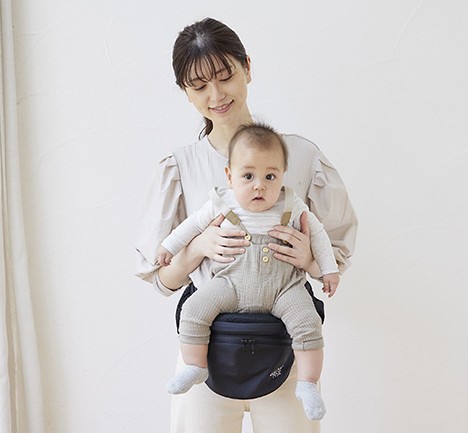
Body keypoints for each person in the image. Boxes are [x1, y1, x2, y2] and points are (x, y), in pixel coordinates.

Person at [135, 17, 357, 433]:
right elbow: (162, 280)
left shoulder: (303, 157)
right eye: (199, 86)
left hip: (285, 349)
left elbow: (335, 257)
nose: (216, 95)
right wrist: (200, 246)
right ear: (185, 92)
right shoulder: (179, 167)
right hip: (206, 356)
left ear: (247, 68)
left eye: (225, 76)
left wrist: (310, 258)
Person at [157, 124, 340, 420]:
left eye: (270, 176)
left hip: (284, 289)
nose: (259, 185)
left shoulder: (291, 205)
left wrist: (326, 270)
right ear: (230, 176)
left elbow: (318, 236)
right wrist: (168, 246)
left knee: (308, 323)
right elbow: (189, 226)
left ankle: (307, 384)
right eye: (248, 176)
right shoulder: (220, 203)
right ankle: (195, 366)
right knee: (193, 309)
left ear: (282, 175)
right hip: (230, 284)